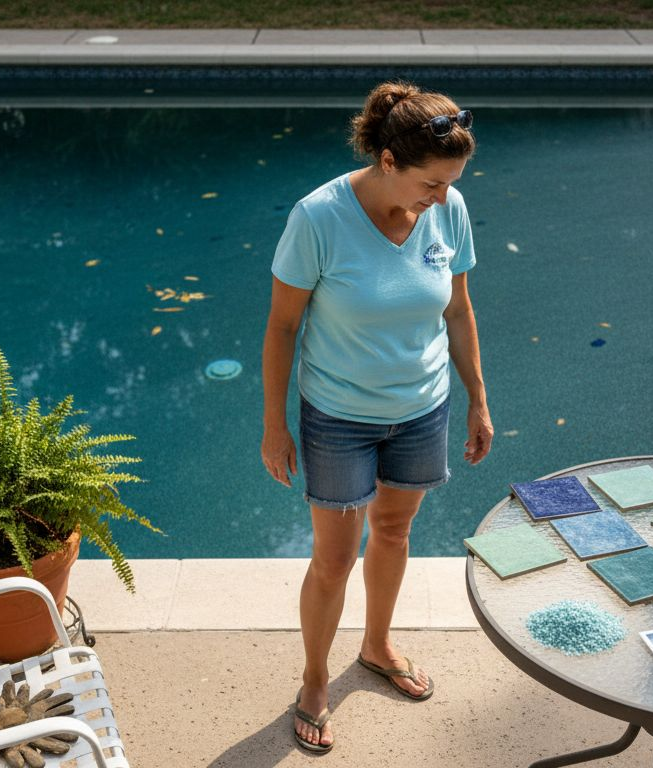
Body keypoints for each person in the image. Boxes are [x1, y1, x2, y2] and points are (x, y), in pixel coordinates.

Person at [260, 80, 493, 754]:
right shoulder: (318, 217)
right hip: (339, 417)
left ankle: (377, 646)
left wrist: (477, 396)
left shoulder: (448, 210)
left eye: (452, 182)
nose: (443, 197)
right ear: (388, 162)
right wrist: (275, 424)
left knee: (392, 530)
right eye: (432, 183)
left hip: (422, 409)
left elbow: (458, 310)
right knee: (333, 559)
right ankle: (312, 678)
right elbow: (281, 328)